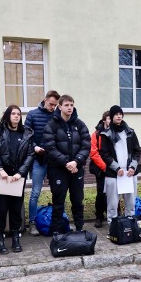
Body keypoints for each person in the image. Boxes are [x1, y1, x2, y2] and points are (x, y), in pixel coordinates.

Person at [0, 105, 34, 254]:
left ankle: (15, 238)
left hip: (18, 178)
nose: (16, 116)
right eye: (13, 113)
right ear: (8, 115)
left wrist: (21, 173)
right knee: (0, 210)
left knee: (15, 209)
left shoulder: (26, 133)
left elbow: (30, 154)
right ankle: (0, 240)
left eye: (18, 114)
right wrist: (0, 169)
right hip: (1, 177)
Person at [42, 94, 90, 233]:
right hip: (58, 169)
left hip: (76, 169)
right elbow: (50, 148)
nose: (69, 108)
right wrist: (67, 163)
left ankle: (79, 228)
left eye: (71, 105)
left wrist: (76, 162)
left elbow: (86, 145)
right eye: (66, 105)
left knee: (77, 200)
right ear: (60, 106)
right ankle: (56, 231)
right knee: (58, 201)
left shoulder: (80, 124)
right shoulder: (51, 125)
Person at [24, 90, 60, 236]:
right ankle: (32, 222)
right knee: (35, 192)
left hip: (54, 160)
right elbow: (26, 136)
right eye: (51, 104)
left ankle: (57, 220)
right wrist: (34, 147)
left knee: (58, 192)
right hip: (39, 159)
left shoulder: (57, 116)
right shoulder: (32, 115)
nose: (53, 107)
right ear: (45, 100)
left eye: (55, 105)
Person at [99, 105, 141, 224]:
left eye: (120, 114)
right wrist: (116, 168)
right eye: (116, 114)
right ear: (111, 117)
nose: (119, 116)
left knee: (130, 202)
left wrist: (133, 166)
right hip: (113, 173)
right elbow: (104, 154)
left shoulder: (130, 132)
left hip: (129, 173)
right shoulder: (106, 134)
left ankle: (131, 224)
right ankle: (113, 226)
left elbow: (137, 151)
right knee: (112, 203)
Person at [89, 111, 111, 228]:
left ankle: (113, 214)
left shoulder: (116, 133)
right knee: (101, 193)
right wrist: (104, 167)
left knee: (113, 193)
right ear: (104, 120)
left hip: (113, 168)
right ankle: (99, 216)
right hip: (101, 168)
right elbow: (94, 153)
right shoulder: (96, 134)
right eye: (109, 118)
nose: (111, 120)